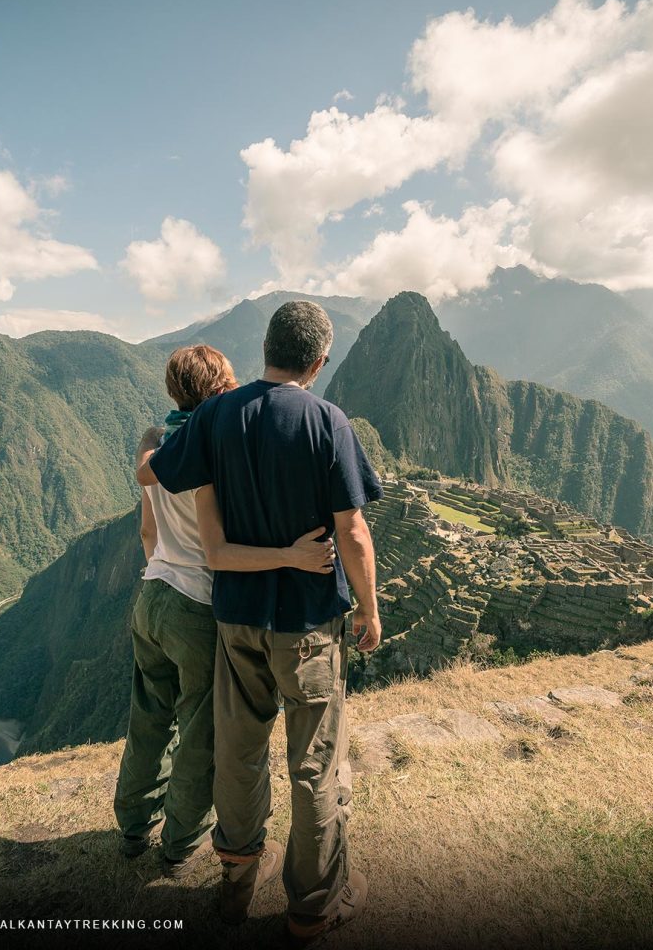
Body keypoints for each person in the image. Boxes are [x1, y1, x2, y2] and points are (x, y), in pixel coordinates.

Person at [138, 301, 383, 938]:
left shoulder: (217, 413)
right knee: (314, 762)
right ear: (319, 361)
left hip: (236, 621)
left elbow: (156, 473)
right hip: (306, 625)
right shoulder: (327, 420)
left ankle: (236, 883)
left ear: (266, 349)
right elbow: (353, 532)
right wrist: (371, 608)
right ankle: (312, 905)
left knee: (240, 754)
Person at [114, 343, 337, 881]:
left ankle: (131, 826)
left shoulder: (163, 447)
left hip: (153, 594)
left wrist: (162, 576)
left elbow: (148, 529)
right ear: (221, 388)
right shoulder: (217, 446)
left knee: (148, 717)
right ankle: (178, 842)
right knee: (199, 733)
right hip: (196, 604)